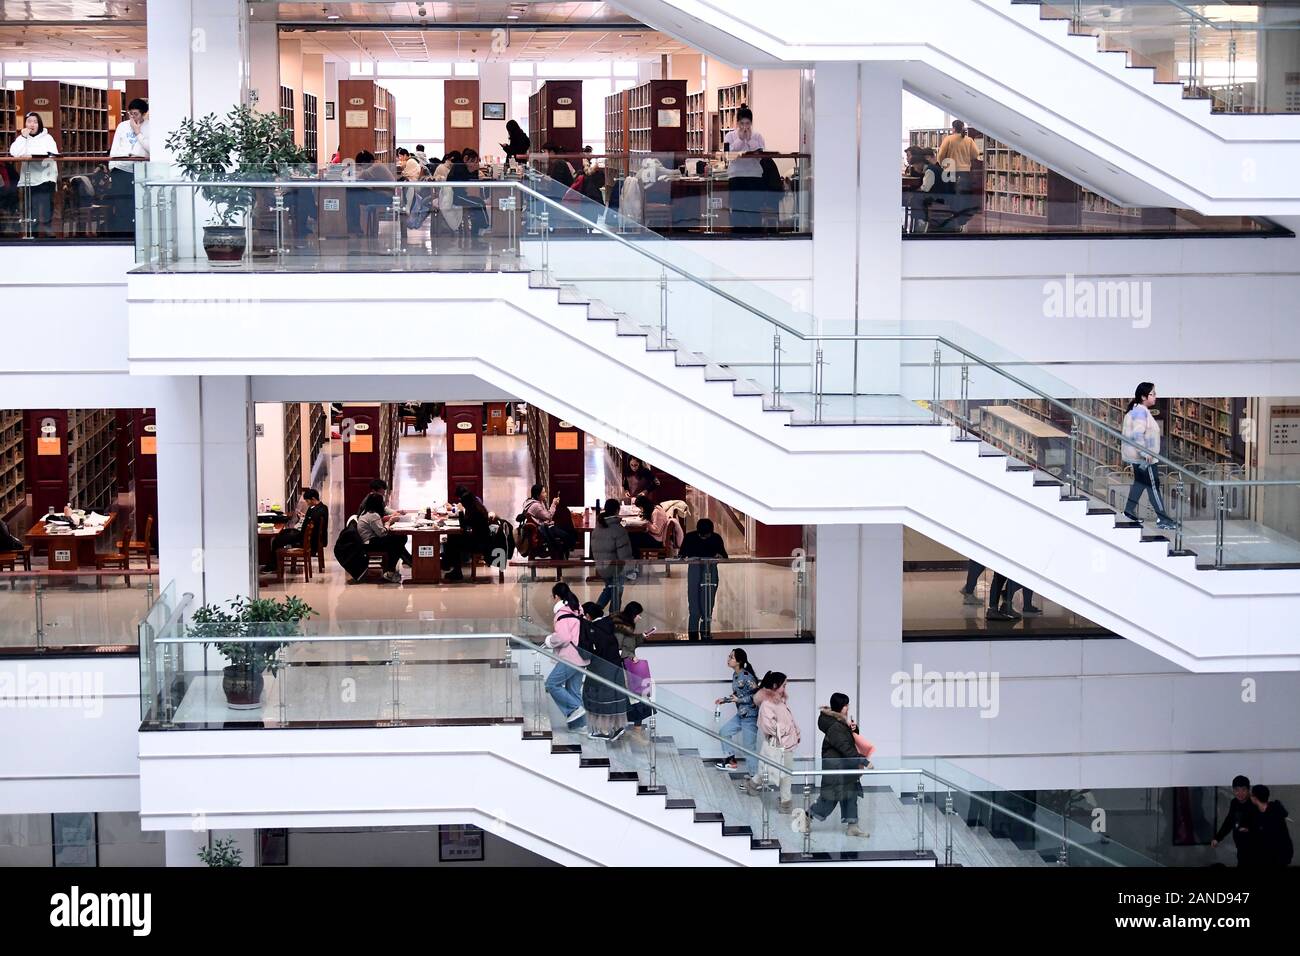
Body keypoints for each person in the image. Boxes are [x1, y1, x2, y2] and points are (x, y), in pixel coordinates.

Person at [795, 693, 871, 837]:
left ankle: (852, 826)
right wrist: (863, 760)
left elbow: (847, 742)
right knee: (829, 800)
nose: (848, 708)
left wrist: (854, 730)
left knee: (850, 795)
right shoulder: (836, 726)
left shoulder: (839, 722)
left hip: (843, 768)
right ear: (841, 707)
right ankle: (805, 818)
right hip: (836, 770)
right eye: (846, 705)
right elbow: (845, 747)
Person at [1122, 382, 1178, 530]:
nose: (1155, 397)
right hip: (1145, 458)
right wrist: (1145, 452)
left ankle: (1128, 510)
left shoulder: (1137, 410)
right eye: (1152, 394)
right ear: (1143, 396)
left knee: (1140, 484)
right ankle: (1163, 518)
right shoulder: (1140, 412)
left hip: (1139, 456)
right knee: (1153, 486)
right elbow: (1137, 434)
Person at [742, 671, 799, 812]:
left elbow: (787, 720)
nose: (785, 688)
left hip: (786, 744)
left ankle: (753, 785)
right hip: (780, 745)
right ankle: (786, 803)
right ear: (775, 685)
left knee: (769, 770)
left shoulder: (779, 701)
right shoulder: (767, 704)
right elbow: (768, 726)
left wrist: (795, 732)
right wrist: (787, 732)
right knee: (783, 774)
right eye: (784, 685)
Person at [542, 582, 588, 729]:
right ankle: (580, 727)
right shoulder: (577, 610)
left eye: (552, 596)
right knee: (573, 690)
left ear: (556, 597)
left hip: (570, 657)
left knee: (551, 684)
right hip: (583, 656)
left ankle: (575, 708)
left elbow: (563, 637)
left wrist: (549, 641)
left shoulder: (562, 614)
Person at [579, 602, 628, 741]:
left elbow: (586, 653)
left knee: (600, 697)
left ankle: (604, 731)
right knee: (615, 695)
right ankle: (618, 727)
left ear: (588, 616)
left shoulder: (592, 629)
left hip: (601, 668)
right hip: (617, 666)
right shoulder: (608, 624)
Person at [10, 112, 59, 237]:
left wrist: (31, 155)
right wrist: (24, 137)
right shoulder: (22, 138)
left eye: (35, 122)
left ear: (40, 124)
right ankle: (33, 233)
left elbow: (52, 153)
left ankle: (47, 230)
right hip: (29, 178)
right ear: (25, 124)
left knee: (46, 205)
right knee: (31, 209)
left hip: (45, 177)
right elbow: (14, 152)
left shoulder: (47, 138)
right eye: (29, 121)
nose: (32, 124)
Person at [680, 517, 728, 640]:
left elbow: (724, 556)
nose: (704, 538)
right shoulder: (690, 537)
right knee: (694, 603)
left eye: (706, 536)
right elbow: (681, 554)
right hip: (694, 571)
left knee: (708, 603)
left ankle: (705, 632)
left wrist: (719, 556)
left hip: (710, 571)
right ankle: (693, 634)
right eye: (702, 536)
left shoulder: (716, 538)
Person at [713, 648, 759, 776]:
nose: (728, 659)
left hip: (750, 716)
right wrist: (725, 700)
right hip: (740, 715)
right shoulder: (735, 675)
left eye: (731, 657)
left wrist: (739, 699)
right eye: (729, 656)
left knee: (749, 749)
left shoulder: (747, 677)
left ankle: (754, 778)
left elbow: (757, 695)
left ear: (739, 661)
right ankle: (731, 760)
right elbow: (737, 693)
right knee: (724, 732)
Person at [106, 97, 149, 236]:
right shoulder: (122, 126)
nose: (132, 117)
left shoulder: (150, 126)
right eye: (130, 113)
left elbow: (150, 148)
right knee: (121, 204)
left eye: (135, 114)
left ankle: (139, 234)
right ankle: (123, 234)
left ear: (143, 114)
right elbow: (115, 147)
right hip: (121, 169)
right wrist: (112, 167)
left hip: (140, 170)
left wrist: (138, 132)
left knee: (138, 204)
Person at [263, 488, 328, 573]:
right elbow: (311, 521)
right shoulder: (322, 508)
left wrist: (303, 520)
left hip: (305, 539)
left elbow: (310, 523)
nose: (307, 503)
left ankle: (272, 566)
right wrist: (304, 518)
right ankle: (273, 564)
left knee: (277, 540)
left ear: (313, 499)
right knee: (283, 532)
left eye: (307, 501)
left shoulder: (314, 510)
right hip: (306, 535)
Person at [723, 105, 766, 232]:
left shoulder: (757, 136)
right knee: (737, 207)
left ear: (751, 123)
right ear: (737, 123)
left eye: (747, 123)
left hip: (754, 176)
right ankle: (737, 234)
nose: (744, 127)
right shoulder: (729, 136)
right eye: (741, 123)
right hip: (736, 176)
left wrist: (749, 140)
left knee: (754, 208)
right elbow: (728, 156)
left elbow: (760, 156)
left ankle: (755, 234)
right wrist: (740, 140)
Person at [355, 491, 410, 584]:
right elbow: (382, 533)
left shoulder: (366, 512)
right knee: (399, 540)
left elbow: (378, 526)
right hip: (370, 543)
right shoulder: (373, 515)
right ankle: (392, 570)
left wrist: (387, 521)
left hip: (369, 540)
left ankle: (405, 562)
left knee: (399, 541)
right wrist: (389, 522)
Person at [442, 484, 491, 582]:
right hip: (480, 538)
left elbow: (464, 526)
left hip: (480, 543)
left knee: (453, 540)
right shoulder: (478, 507)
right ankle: (453, 568)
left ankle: (456, 570)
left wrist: (460, 512)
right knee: (452, 538)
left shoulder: (475, 512)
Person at [591, 498, 633, 613]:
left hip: (601, 566)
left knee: (610, 588)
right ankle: (613, 618)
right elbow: (624, 554)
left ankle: (594, 612)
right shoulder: (618, 530)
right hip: (615, 567)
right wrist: (630, 570)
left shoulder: (597, 528)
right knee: (616, 591)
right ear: (617, 510)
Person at [1212, 774, 1260, 866]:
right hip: (1241, 846)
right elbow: (1229, 822)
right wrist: (1217, 838)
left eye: (1243, 790)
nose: (1240, 793)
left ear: (1248, 790)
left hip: (1256, 847)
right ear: (1233, 790)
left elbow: (1264, 824)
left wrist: (1250, 829)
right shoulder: (1234, 802)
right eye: (1237, 790)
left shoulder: (1255, 803)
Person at [346, 149, 396, 237]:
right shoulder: (377, 165)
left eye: (361, 165)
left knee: (352, 195)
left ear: (368, 162)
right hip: (383, 194)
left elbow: (361, 175)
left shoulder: (376, 167)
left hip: (385, 197)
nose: (361, 167)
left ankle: (355, 227)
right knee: (353, 193)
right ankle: (354, 226)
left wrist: (356, 171)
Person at [448, 147, 489, 248]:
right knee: (479, 203)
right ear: (466, 158)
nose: (474, 164)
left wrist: (474, 170)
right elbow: (468, 178)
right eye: (473, 161)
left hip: (461, 195)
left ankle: (477, 229)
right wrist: (475, 170)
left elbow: (470, 178)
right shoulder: (459, 167)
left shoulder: (461, 166)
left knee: (479, 201)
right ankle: (484, 227)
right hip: (457, 197)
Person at [522, 483, 572, 558]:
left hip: (544, 526)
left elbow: (546, 516)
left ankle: (562, 554)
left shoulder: (535, 502)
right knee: (566, 535)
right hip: (542, 530)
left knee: (565, 529)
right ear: (538, 495)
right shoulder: (536, 506)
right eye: (543, 492)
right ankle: (560, 555)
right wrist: (554, 504)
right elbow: (548, 516)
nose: (546, 494)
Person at [1249, 784, 1293, 867]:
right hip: (1272, 855)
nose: (1250, 797)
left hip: (1278, 855)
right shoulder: (1258, 811)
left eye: (1251, 795)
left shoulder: (1274, 809)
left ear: (1255, 797)